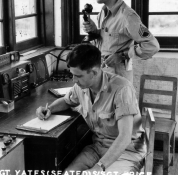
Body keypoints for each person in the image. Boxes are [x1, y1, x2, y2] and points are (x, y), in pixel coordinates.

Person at [36, 44, 146, 174]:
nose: (74, 80)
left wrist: (99, 167)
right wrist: (49, 109)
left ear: (94, 72)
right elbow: (67, 101)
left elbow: (125, 137)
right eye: (72, 75)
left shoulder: (122, 89)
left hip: (126, 151)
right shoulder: (81, 86)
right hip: (98, 147)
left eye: (78, 76)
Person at [83, 0, 159, 82]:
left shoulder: (128, 16)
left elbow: (152, 46)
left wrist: (122, 55)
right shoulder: (103, 12)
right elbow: (109, 41)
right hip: (102, 75)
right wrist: (94, 32)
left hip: (118, 80)